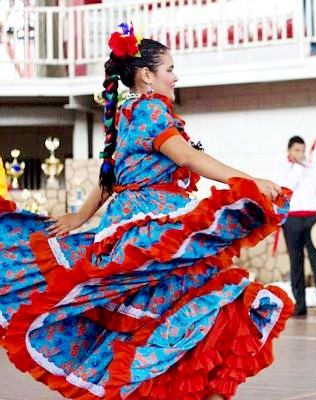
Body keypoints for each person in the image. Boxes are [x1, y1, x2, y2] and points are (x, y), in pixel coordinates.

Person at [0, 23, 293, 400]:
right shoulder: (151, 111)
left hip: (140, 228)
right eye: (169, 69)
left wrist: (80, 217)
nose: (175, 76)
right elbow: (187, 157)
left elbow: (110, 179)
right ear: (146, 76)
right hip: (153, 232)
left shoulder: (127, 113)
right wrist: (250, 181)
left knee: (198, 311)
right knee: (208, 308)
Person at [276, 136, 316, 316]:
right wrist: (297, 168)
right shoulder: (281, 168)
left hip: (313, 220)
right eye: (296, 150)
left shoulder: (313, 169)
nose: (300, 154)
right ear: (289, 151)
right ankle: (299, 305)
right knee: (296, 263)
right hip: (292, 220)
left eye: (302, 150)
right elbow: (285, 190)